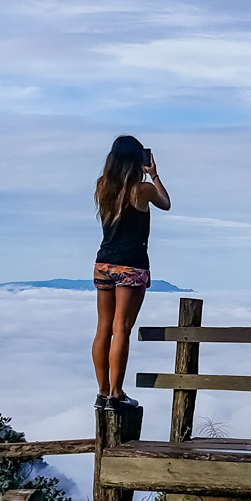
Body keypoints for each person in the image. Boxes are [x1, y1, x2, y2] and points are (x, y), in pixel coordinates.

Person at [92, 135, 171, 409]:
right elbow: (165, 202)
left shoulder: (104, 187)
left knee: (103, 329)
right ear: (137, 160)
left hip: (103, 263)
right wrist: (155, 175)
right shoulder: (142, 190)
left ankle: (102, 392)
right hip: (131, 265)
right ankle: (116, 394)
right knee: (122, 329)